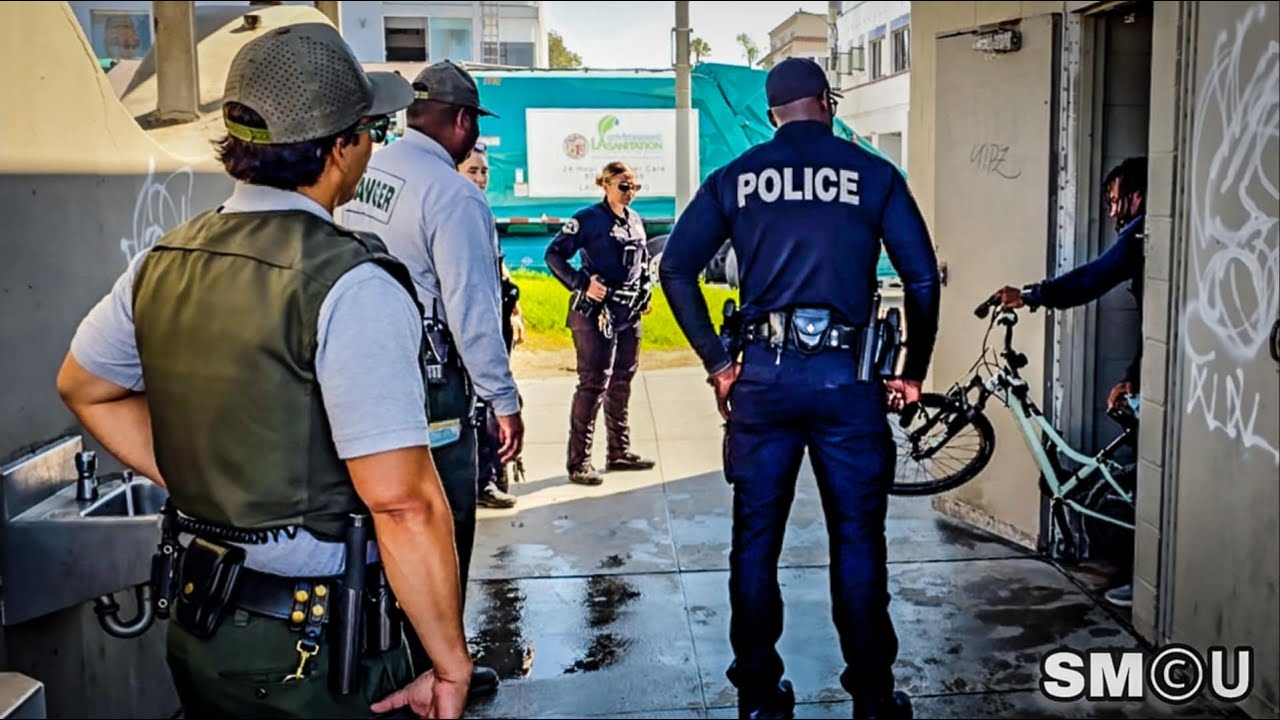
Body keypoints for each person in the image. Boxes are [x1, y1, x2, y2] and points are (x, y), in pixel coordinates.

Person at [55, 23, 473, 718]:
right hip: (312, 657)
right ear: (342, 148)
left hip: (202, 634)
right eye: (369, 128)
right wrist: (450, 663)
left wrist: (208, 478)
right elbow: (402, 503)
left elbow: (84, 387)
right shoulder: (351, 282)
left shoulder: (162, 261)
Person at [659, 57, 941, 720]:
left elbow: (675, 268)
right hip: (848, 380)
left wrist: (717, 364)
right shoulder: (873, 174)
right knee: (857, 538)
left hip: (762, 379)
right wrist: (911, 369)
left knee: (756, 540)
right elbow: (922, 278)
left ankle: (758, 696)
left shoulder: (736, 177)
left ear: (771, 114)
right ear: (828, 103)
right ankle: (871, 696)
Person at [335, 58, 523, 699]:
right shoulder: (453, 194)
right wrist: (503, 399)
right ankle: (438, 668)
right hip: (429, 377)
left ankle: (386, 659)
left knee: (372, 519)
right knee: (442, 521)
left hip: (354, 366)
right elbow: (473, 311)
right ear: (463, 121)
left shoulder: (365, 171)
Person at [991, 156, 1147, 608]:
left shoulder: (1142, 231)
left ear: (1137, 196)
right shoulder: (1147, 235)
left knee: (1148, 476)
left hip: (1181, 372)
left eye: (1117, 200)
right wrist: (1133, 376)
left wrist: (1032, 296)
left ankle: (1149, 578)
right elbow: (1159, 322)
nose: (1114, 211)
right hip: (1158, 363)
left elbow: (1092, 278)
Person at [545, 161, 657, 486]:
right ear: (605, 185)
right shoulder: (588, 219)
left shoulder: (635, 220)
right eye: (623, 186)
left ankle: (619, 451)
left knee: (623, 381)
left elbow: (643, 262)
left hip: (628, 315)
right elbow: (554, 255)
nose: (629, 193)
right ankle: (579, 462)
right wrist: (581, 283)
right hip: (595, 314)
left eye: (634, 187)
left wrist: (645, 293)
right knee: (594, 384)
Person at [457, 142, 523, 509]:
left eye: (484, 172)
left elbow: (499, 271)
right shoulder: (457, 210)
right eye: (473, 171)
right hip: (472, 329)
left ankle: (495, 472)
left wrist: (515, 313)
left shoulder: (482, 211)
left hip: (498, 323)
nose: (480, 178)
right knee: (480, 406)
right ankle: (483, 480)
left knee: (494, 401)